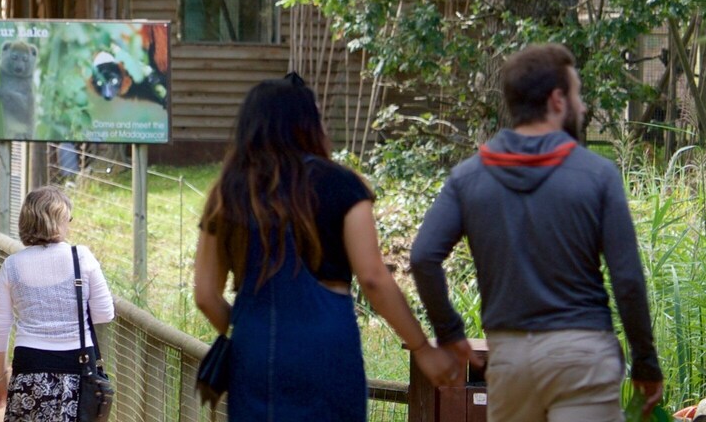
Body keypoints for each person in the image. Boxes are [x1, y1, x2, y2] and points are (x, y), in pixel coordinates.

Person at [410, 44, 662, 421]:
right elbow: (626, 279)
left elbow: (423, 257)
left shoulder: (469, 177)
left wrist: (450, 333)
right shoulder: (597, 174)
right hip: (583, 356)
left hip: (509, 361)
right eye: (578, 95)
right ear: (557, 100)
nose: (584, 107)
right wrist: (645, 363)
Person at [191, 74, 459, 421]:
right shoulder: (341, 184)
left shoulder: (227, 194)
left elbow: (205, 295)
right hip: (326, 348)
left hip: (254, 351)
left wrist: (248, 329)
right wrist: (422, 347)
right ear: (308, 125)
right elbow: (374, 279)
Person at [0, 186, 115, 421]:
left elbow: (0, 325)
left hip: (30, 363)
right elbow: (105, 313)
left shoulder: (12, 265)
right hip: (79, 366)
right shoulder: (82, 257)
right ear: (59, 220)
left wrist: (0, 376)